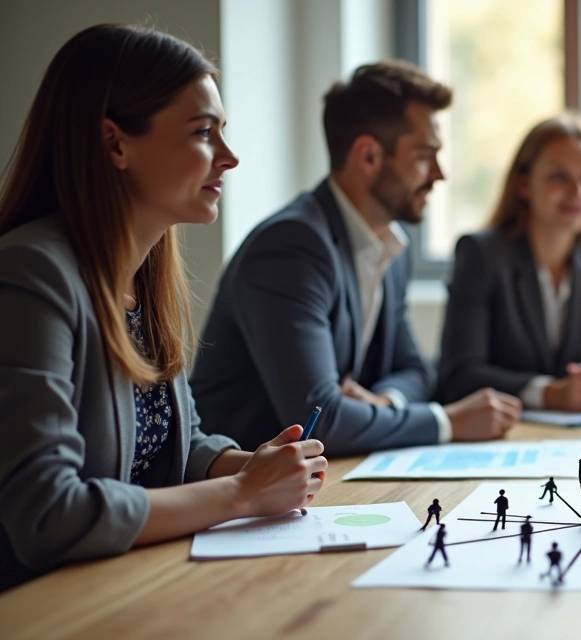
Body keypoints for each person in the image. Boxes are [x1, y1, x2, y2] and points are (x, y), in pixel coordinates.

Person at [0, 24, 327, 592]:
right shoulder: (29, 274)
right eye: (205, 133)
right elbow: (48, 515)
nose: (230, 158)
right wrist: (244, 494)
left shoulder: (145, 274)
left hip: (125, 580)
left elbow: (178, 443)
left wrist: (250, 465)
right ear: (115, 143)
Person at [190, 60, 521, 457]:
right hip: (242, 494)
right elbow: (320, 419)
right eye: (424, 156)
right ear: (368, 156)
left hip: (325, 478)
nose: (439, 174)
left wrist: (385, 403)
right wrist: (447, 422)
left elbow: (416, 372)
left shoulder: (392, 248)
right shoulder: (291, 247)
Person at [436, 114, 581, 412]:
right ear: (523, 183)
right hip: (501, 434)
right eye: (560, 177)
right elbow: (459, 375)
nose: (578, 192)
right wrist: (547, 393)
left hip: (576, 436)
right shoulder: (481, 254)